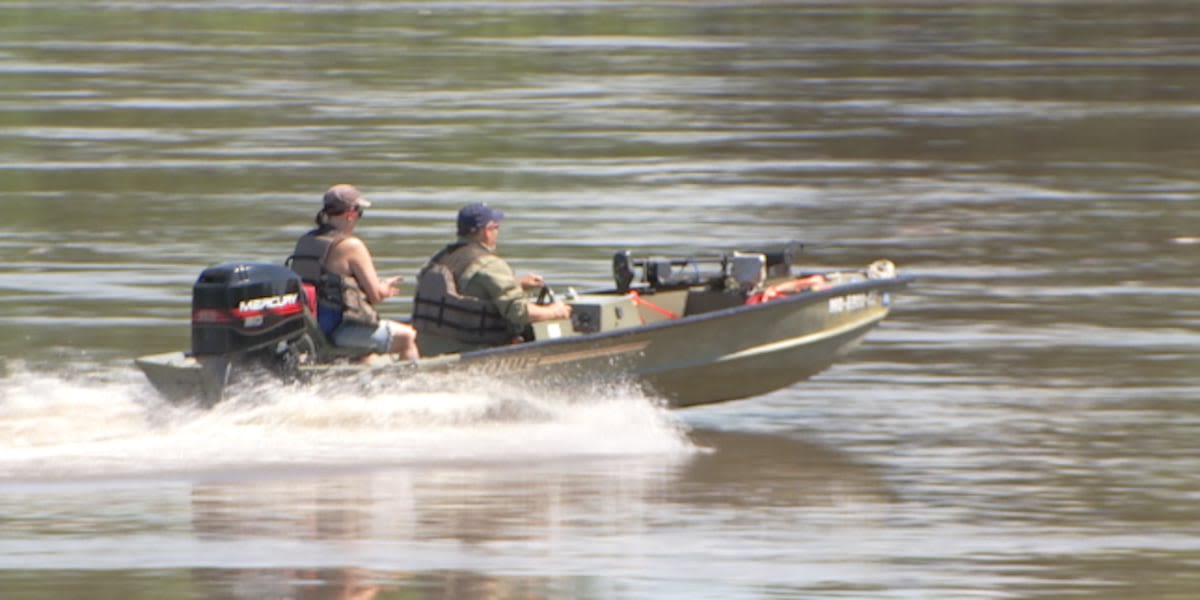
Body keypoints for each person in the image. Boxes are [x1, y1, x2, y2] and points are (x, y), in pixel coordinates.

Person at [411, 202, 572, 356]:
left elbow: (462, 290)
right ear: (486, 231)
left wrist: (516, 284)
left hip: (427, 350)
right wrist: (555, 311)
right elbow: (519, 313)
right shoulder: (490, 264)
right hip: (469, 350)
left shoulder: (437, 260)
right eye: (496, 227)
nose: (497, 232)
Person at [287, 184, 419, 361]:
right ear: (351, 213)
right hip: (339, 330)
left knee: (366, 350)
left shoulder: (306, 240)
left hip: (309, 331)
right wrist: (385, 287)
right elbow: (375, 296)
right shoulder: (351, 246)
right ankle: (410, 386)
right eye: (360, 213)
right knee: (407, 337)